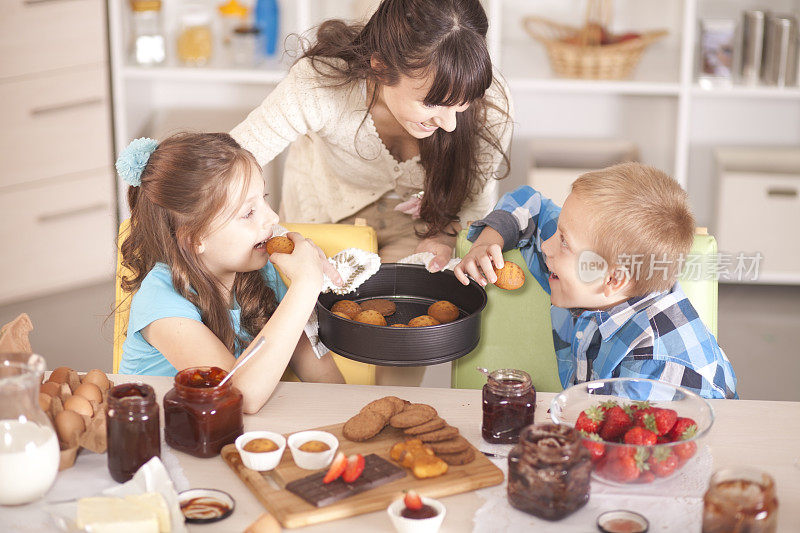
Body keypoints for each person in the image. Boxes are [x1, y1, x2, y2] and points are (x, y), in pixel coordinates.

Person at [231, 0, 512, 385]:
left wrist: (444, 235)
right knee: (307, 341)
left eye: (461, 106)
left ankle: (389, 420)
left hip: (418, 228)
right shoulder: (320, 83)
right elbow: (234, 160)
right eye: (432, 103)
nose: (450, 124)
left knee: (404, 337)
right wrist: (264, 226)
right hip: (321, 216)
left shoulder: (491, 105)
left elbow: (475, 206)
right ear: (380, 66)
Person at [455, 162, 738, 400]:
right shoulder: (597, 276)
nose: (546, 246)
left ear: (613, 279)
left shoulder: (654, 369)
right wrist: (488, 241)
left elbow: (628, 454)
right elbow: (531, 202)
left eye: (564, 242)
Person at [116, 133, 345, 414]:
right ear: (196, 238)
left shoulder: (261, 273)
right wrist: (306, 285)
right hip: (160, 441)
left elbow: (323, 377)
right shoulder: (161, 302)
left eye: (264, 199)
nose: (273, 218)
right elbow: (238, 395)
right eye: (249, 213)